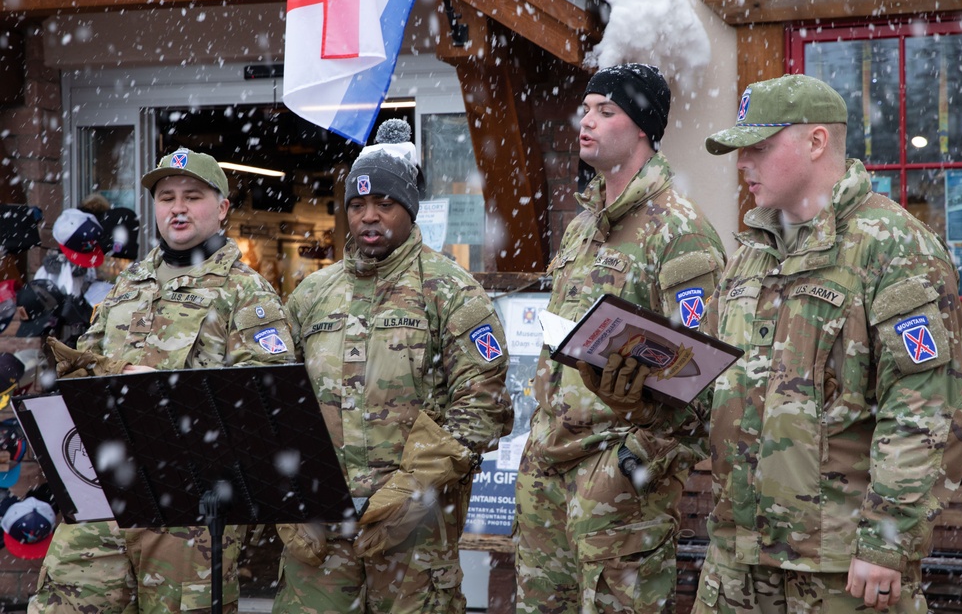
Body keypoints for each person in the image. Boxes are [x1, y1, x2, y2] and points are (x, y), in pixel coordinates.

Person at [694, 74, 962, 613]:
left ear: (816, 141)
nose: (742, 163)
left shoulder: (893, 248)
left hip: (839, 571)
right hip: (737, 563)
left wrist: (884, 540)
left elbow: (926, 410)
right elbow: (713, 386)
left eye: (758, 147)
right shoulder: (750, 256)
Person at [30, 147, 296, 614]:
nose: (177, 207)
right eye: (166, 196)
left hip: (189, 514)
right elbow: (85, 370)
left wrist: (168, 392)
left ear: (223, 208)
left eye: (192, 196)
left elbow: (267, 408)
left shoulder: (248, 294)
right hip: (102, 498)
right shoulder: (128, 284)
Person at [271, 119, 513, 614]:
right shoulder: (312, 295)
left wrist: (410, 491)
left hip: (414, 533)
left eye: (385, 204)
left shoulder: (451, 291)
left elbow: (482, 405)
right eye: (357, 206)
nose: (369, 217)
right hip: (322, 532)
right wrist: (289, 495)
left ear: (409, 209)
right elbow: (275, 398)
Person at [515, 63, 727, 613]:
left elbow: (703, 380)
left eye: (606, 111)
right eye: (586, 109)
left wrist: (631, 463)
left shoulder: (680, 231)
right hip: (549, 470)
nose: (587, 121)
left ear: (642, 129)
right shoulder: (584, 225)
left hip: (616, 483)